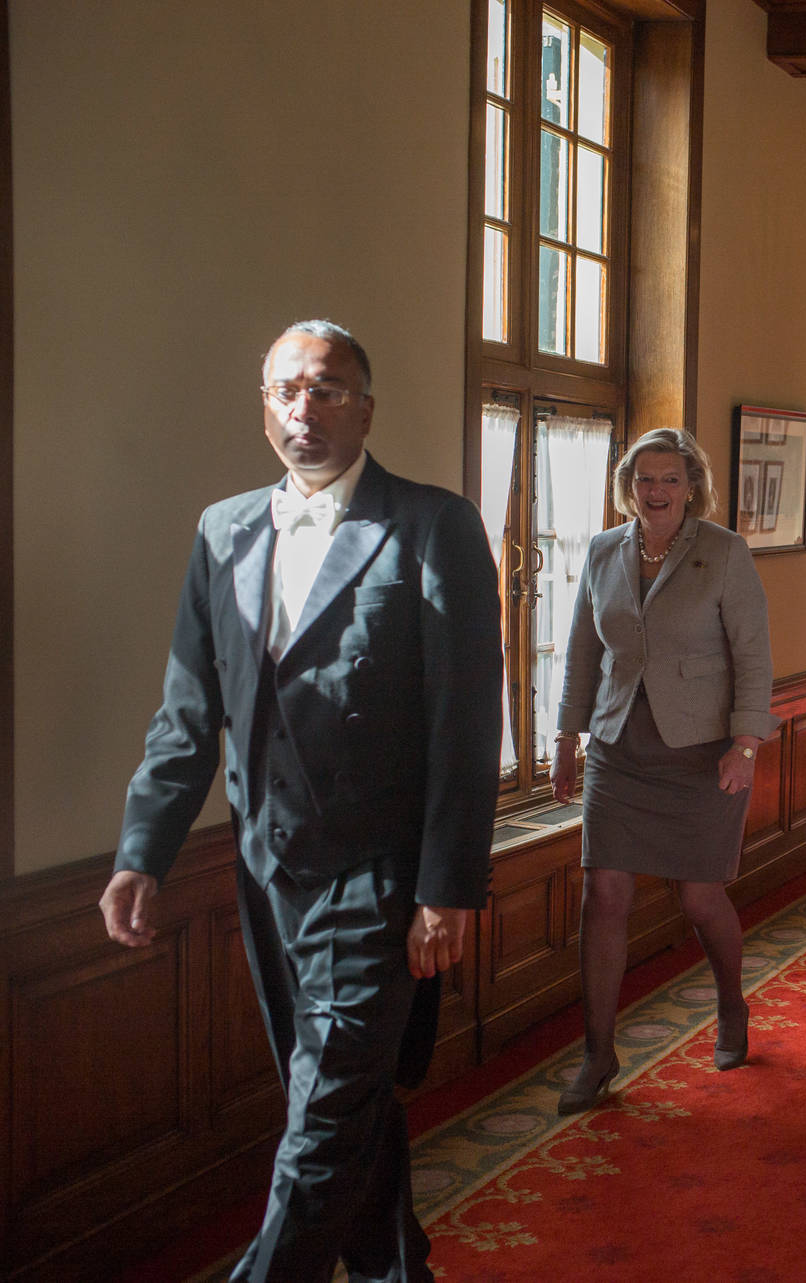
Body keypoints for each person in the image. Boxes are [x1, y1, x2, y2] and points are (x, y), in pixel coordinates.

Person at [101, 320, 502, 1281]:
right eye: (285, 391)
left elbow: (465, 720)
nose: (303, 410)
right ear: (265, 408)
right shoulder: (223, 528)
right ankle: (394, 1268)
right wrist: (142, 851)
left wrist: (447, 886)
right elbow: (189, 712)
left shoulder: (430, 524)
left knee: (320, 1118)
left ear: (365, 405)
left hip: (380, 876)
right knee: (343, 1096)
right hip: (268, 877)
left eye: (325, 389)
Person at [552, 428, 779, 1109]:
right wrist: (566, 735)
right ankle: (598, 1054)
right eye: (645, 479)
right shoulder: (601, 551)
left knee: (699, 899)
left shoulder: (724, 552)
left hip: (702, 755)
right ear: (629, 486)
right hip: (620, 749)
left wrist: (745, 745)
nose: (656, 492)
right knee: (604, 897)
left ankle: (732, 1006)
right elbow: (583, 653)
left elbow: (754, 655)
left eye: (670, 480)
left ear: (691, 487)